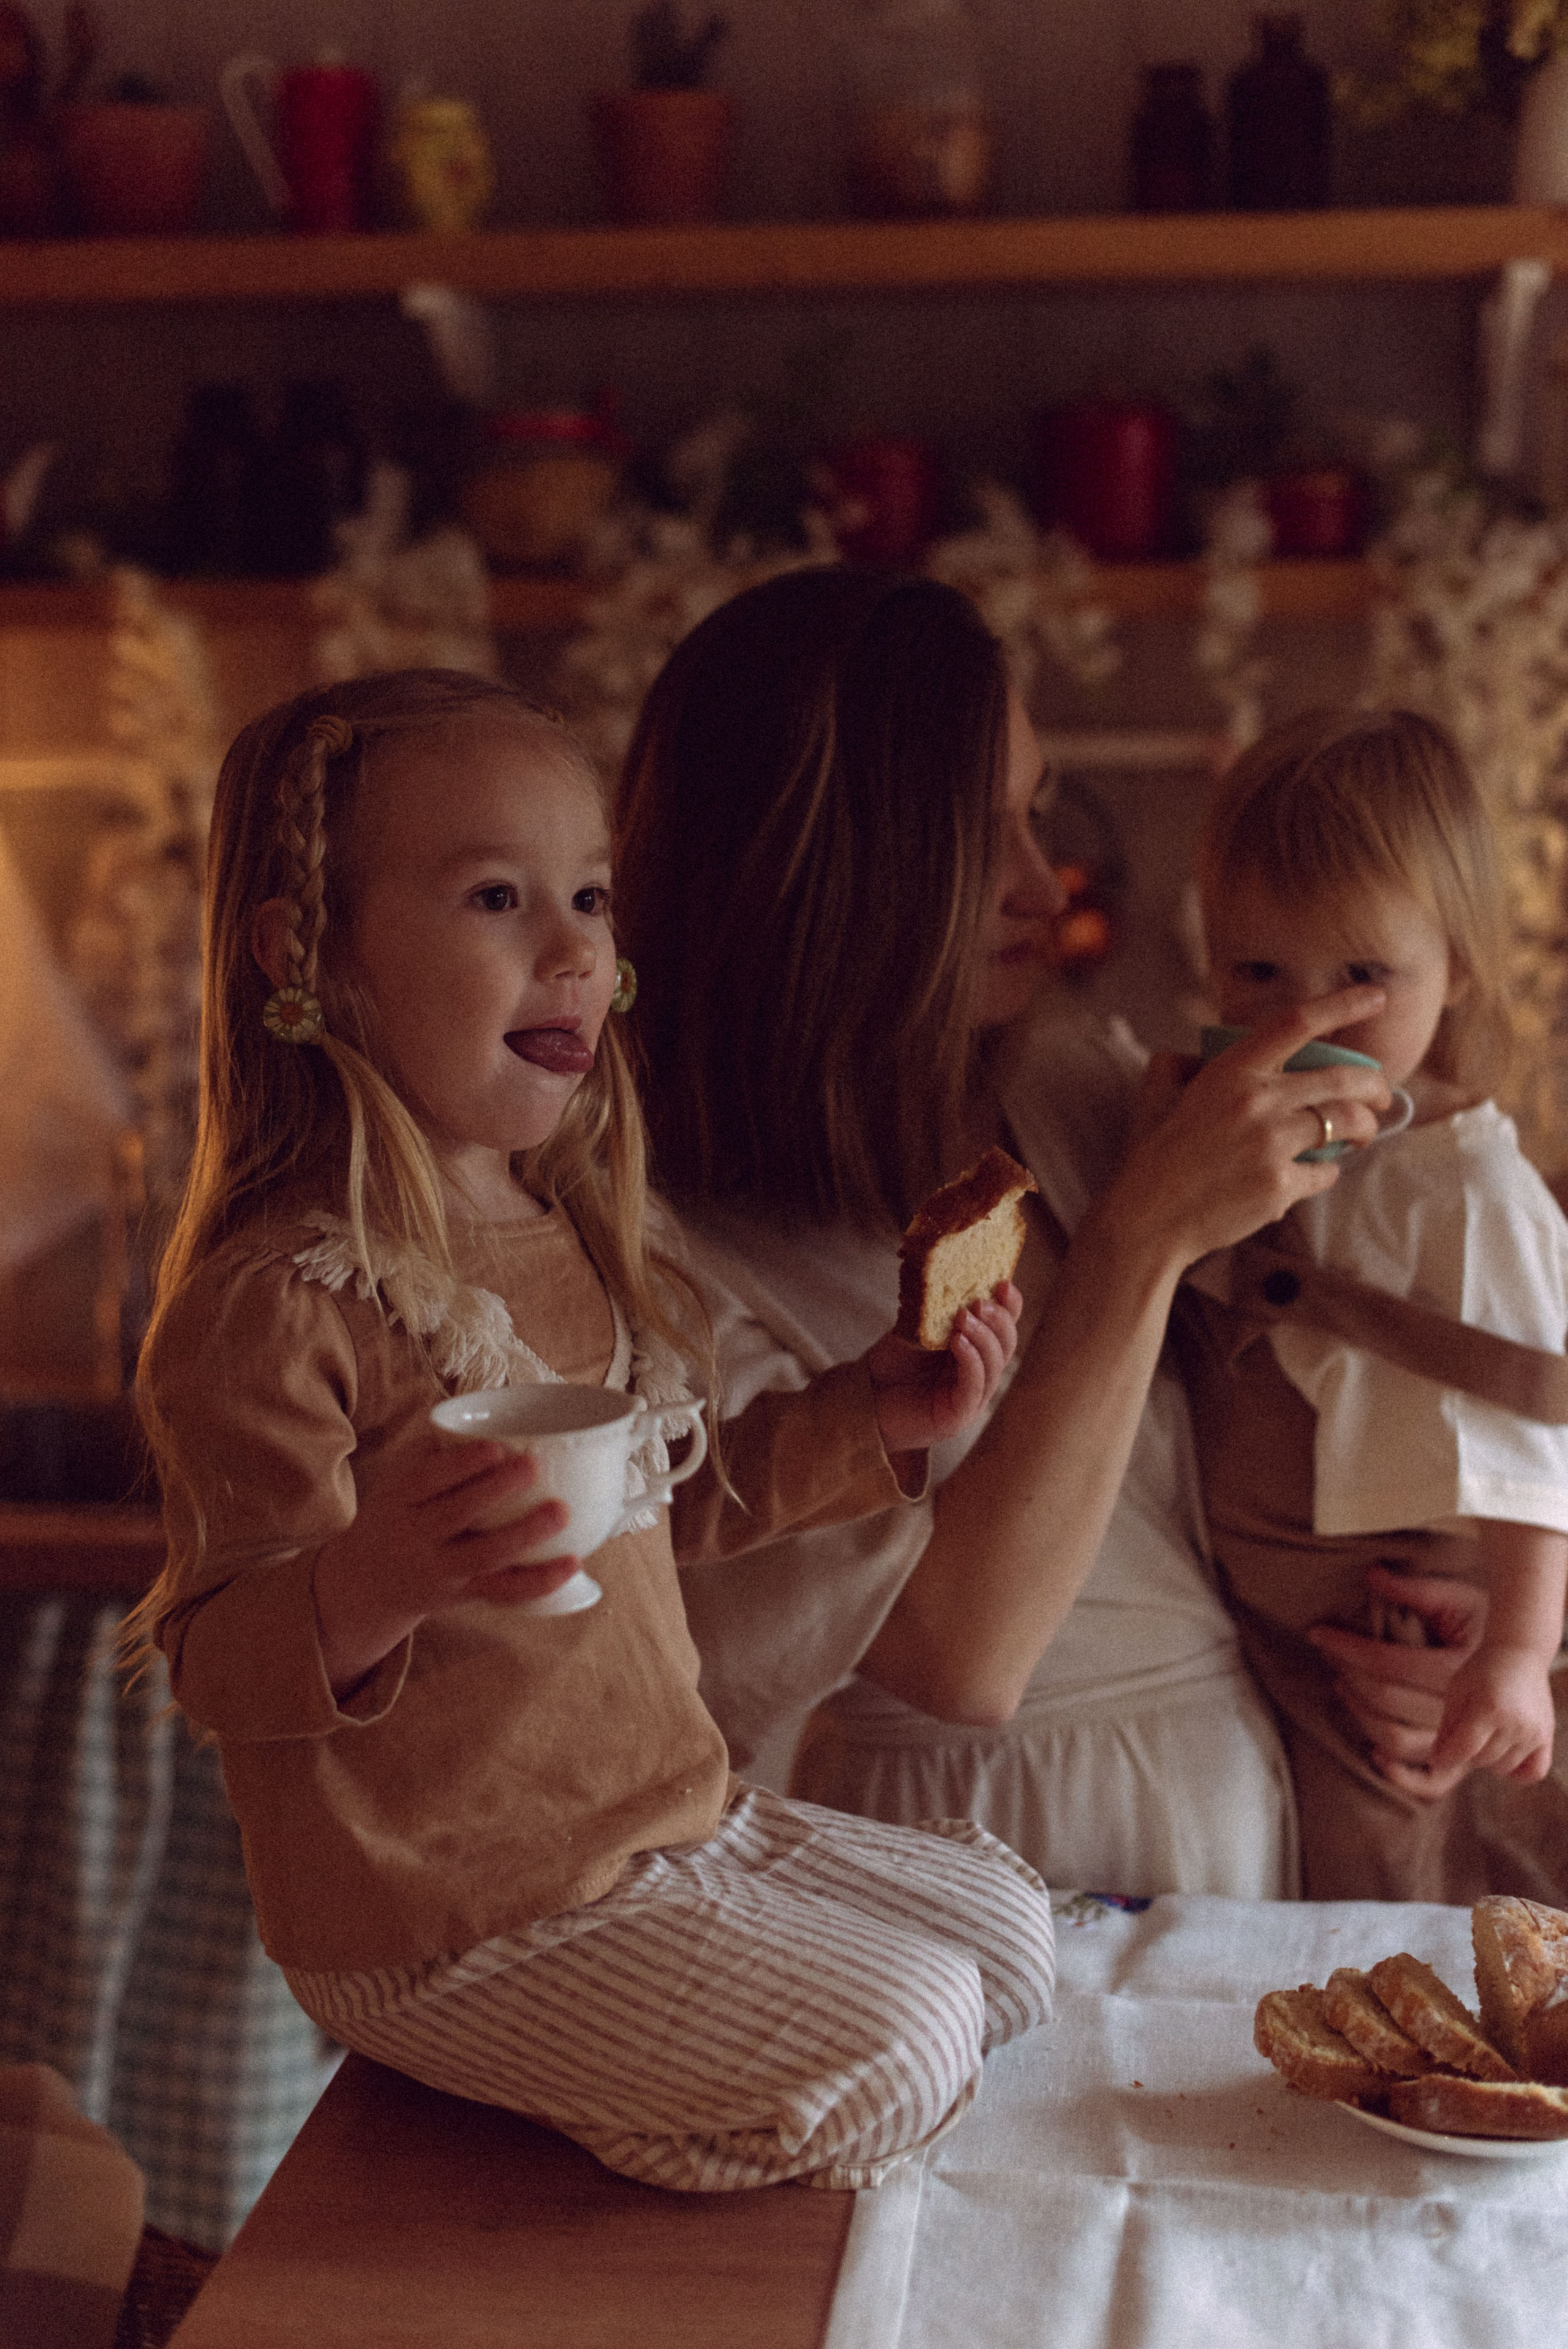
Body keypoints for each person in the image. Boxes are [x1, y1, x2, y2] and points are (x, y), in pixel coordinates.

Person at [127, 666, 1054, 2196]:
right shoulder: (281, 1297)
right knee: (909, 2034)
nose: (573, 950)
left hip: (658, 1826)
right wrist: (377, 1576)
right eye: (496, 896)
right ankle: (594, 2136)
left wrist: (872, 1411)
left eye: (590, 897)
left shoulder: (565, 1233)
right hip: (447, 1916)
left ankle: (664, 2043)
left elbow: (656, 1516)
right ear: (309, 954)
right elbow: (217, 1661)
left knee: (1009, 1940)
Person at [614, 567, 1425, 1900]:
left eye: (1035, 817)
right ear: (828, 866)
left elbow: (1349, 1376)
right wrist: (1135, 1242)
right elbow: (958, 1656)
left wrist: (1446, 1626)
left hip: (1228, 1821)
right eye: (978, 834)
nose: (1045, 888)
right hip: (942, 1859)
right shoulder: (659, 1245)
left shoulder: (1072, 1088)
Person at [1175, 706, 1568, 1901]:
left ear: (1452, 968)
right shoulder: (1235, 1120)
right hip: (1250, 1605)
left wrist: (1514, 1651)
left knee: (1374, 1873)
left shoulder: (1464, 1182)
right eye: (1257, 972)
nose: (1304, 1019)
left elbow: (1532, 1428)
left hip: (1383, 1613)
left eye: (1361, 977)